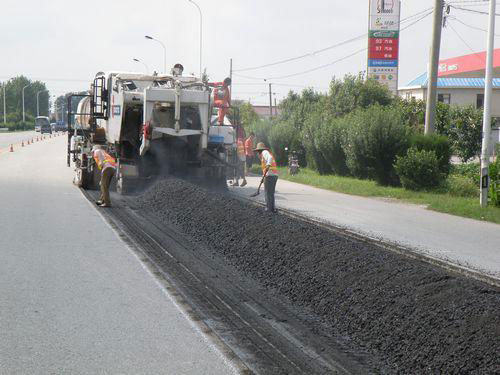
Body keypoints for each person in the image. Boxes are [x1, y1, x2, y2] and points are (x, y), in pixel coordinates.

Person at [254, 142, 278, 213]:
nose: (257, 154)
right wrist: (262, 178)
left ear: (259, 151)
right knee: (271, 193)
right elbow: (265, 170)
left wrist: (268, 165)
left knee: (267, 193)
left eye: (257, 152)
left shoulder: (264, 152)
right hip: (274, 175)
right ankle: (272, 208)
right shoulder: (264, 156)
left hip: (270, 176)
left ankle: (268, 208)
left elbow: (269, 159)